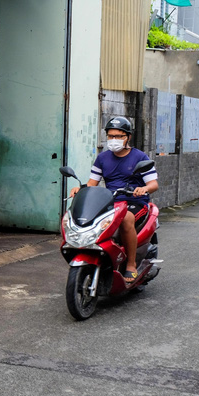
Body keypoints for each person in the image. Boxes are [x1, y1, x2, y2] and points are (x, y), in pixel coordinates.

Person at [69, 116, 158, 283]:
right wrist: (79, 189)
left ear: (128, 137)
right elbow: (91, 183)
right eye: (110, 136)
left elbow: (153, 184)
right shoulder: (102, 158)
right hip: (112, 201)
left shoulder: (140, 157)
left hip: (135, 202)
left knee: (125, 219)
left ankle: (131, 264)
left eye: (118, 136)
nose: (114, 140)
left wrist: (143, 189)